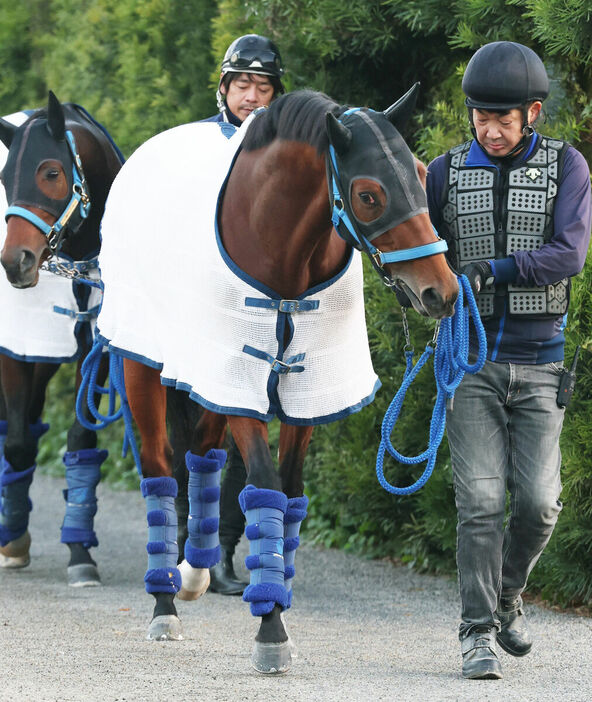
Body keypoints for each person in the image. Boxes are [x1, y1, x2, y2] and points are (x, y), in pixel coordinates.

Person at [425, 41, 591, 680]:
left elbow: (568, 253)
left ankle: (506, 596)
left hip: (542, 360)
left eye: (504, 119)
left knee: (541, 502)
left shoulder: (566, 168)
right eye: (480, 118)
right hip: (470, 362)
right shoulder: (442, 174)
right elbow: (421, 255)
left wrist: (491, 270)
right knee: (481, 500)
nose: (490, 130)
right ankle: (475, 634)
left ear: (533, 113)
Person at [202, 33, 286, 594]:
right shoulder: (196, 147)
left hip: (260, 313)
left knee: (244, 432)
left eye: (263, 87)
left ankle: (225, 550)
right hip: (202, 308)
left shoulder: (287, 154)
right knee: (200, 436)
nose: (252, 97)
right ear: (225, 89)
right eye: (243, 85)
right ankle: (198, 543)